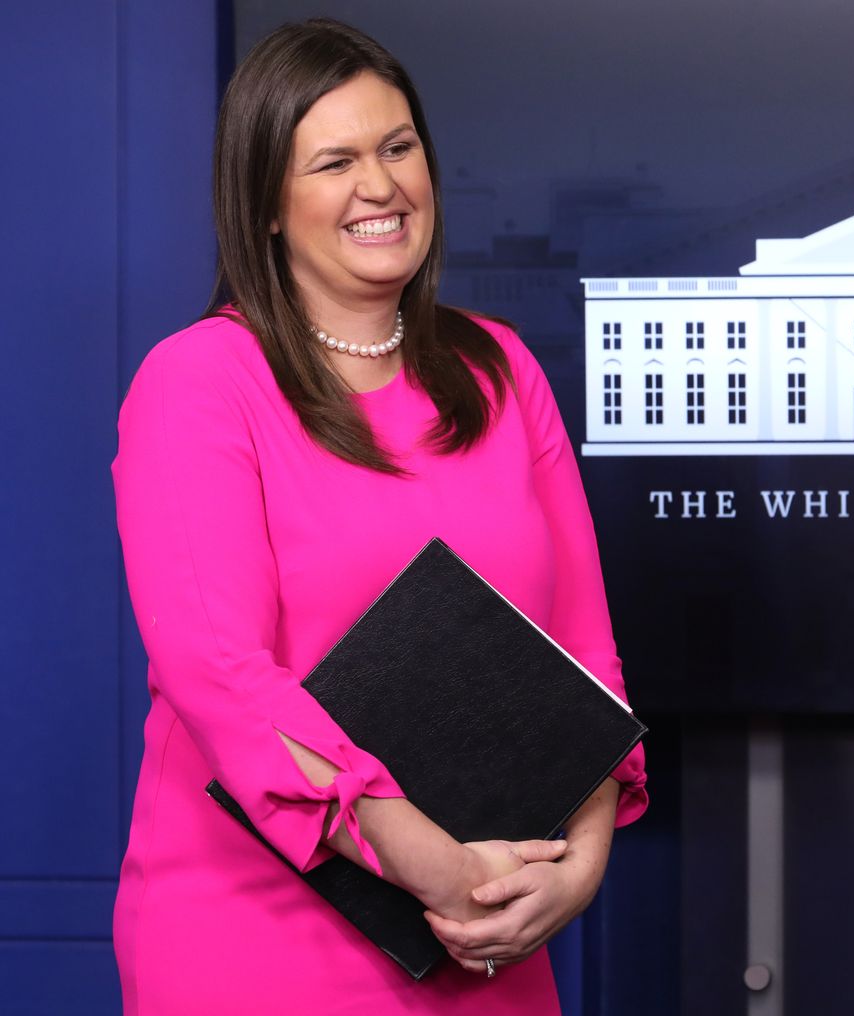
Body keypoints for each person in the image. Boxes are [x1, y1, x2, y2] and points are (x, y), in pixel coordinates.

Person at [111, 17, 646, 1015]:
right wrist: (429, 863)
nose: (381, 186)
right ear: (266, 203)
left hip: (486, 932)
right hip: (254, 937)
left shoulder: (498, 366)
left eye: (398, 147)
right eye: (334, 160)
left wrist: (573, 870)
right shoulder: (199, 381)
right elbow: (218, 671)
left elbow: (581, 657)